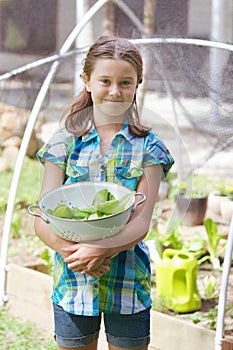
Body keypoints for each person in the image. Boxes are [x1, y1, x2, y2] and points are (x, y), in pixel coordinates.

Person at [34, 35, 174, 350]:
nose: (114, 91)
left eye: (125, 82)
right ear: (86, 81)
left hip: (128, 285)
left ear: (137, 83)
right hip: (72, 282)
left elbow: (141, 222)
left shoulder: (149, 148)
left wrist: (102, 249)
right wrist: (76, 255)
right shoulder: (64, 142)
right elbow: (42, 218)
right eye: (105, 81)